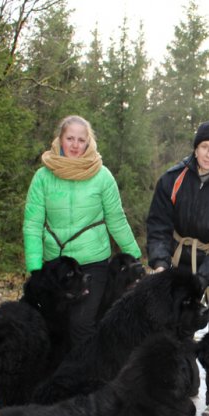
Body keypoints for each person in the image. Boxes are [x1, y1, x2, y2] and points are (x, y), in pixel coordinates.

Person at [23, 115, 143, 345]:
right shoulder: (43, 177)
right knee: (53, 326)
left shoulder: (102, 176)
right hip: (55, 267)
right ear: (60, 139)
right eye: (70, 138)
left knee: (81, 324)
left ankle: (85, 377)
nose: (75, 145)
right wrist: (35, 268)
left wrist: (135, 257)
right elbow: (32, 224)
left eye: (81, 140)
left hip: (92, 264)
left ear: (89, 142)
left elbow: (116, 220)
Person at [146, 117, 209, 331]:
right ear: (196, 148)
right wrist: (160, 263)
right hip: (177, 261)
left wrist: (203, 278)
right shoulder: (172, 180)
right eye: (205, 147)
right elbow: (158, 226)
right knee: (172, 330)